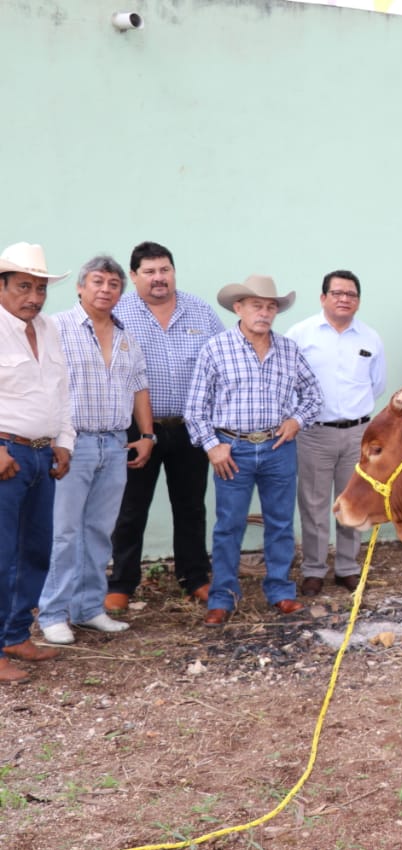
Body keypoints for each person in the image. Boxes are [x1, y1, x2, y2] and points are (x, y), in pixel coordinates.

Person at [184, 275, 322, 627]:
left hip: (278, 447)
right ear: (239, 307)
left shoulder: (288, 349)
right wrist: (213, 446)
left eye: (271, 306)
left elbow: (314, 396)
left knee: (279, 523)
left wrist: (296, 420)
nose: (264, 312)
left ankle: (280, 592)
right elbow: (195, 409)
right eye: (257, 305)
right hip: (234, 450)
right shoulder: (216, 348)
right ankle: (223, 597)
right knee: (228, 526)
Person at [39, 256, 153, 645]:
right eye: (97, 281)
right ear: (80, 287)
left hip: (115, 444)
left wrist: (148, 435)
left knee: (100, 532)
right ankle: (53, 613)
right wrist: (55, 439)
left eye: (113, 284)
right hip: (72, 444)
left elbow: (139, 386)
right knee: (65, 532)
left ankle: (89, 609)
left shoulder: (126, 336)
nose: (106, 289)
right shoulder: (55, 328)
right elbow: (41, 384)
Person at [109, 242, 223, 612]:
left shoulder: (200, 311)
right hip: (137, 429)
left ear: (173, 271)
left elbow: (223, 360)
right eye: (150, 272)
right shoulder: (118, 313)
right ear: (134, 277)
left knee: (190, 507)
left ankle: (195, 578)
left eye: (165, 270)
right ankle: (122, 583)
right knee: (131, 508)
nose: (159, 278)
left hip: (191, 428)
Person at [285, 270, 386, 597]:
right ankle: (314, 569)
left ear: (358, 300)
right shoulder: (300, 335)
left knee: (353, 503)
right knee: (313, 506)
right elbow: (287, 383)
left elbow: (378, 384)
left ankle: (347, 567)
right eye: (338, 293)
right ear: (323, 297)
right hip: (314, 433)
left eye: (351, 294)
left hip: (358, 434)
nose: (345, 299)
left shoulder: (370, 338)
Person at [0, 242, 74, 683]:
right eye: (24, 287)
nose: (34, 297)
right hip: (6, 453)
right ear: (2, 286)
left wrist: (64, 441)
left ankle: (14, 635)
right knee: (0, 555)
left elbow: (60, 390)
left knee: (35, 550)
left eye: (41, 288)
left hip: (42, 455)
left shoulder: (47, 329)